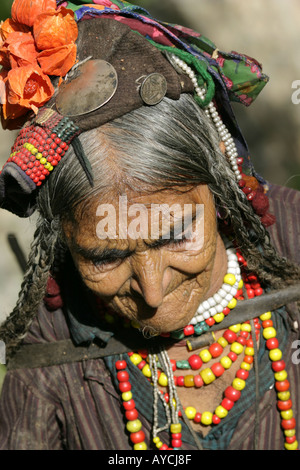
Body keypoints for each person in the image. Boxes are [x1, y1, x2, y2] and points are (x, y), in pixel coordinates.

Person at [0, 0, 299, 451]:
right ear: (63, 236)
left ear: (217, 180)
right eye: (106, 257)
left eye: (177, 234)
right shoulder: (52, 332)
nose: (152, 294)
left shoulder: (293, 239)